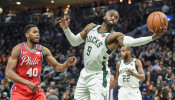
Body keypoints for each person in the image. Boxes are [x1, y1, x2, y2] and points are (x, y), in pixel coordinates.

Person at [59, 9, 167, 100]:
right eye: (111, 15)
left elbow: (132, 42)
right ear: (104, 17)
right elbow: (74, 42)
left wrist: (152, 37)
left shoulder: (115, 36)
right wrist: (66, 29)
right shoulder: (91, 27)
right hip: (85, 73)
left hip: (99, 76)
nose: (113, 18)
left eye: (116, 18)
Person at [5, 24, 76, 100]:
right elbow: (8, 72)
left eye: (38, 32)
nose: (38, 34)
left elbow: (57, 67)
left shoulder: (43, 50)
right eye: (34, 32)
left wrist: (66, 64)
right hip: (19, 91)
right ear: (27, 35)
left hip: (36, 91)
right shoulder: (18, 49)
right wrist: (28, 83)